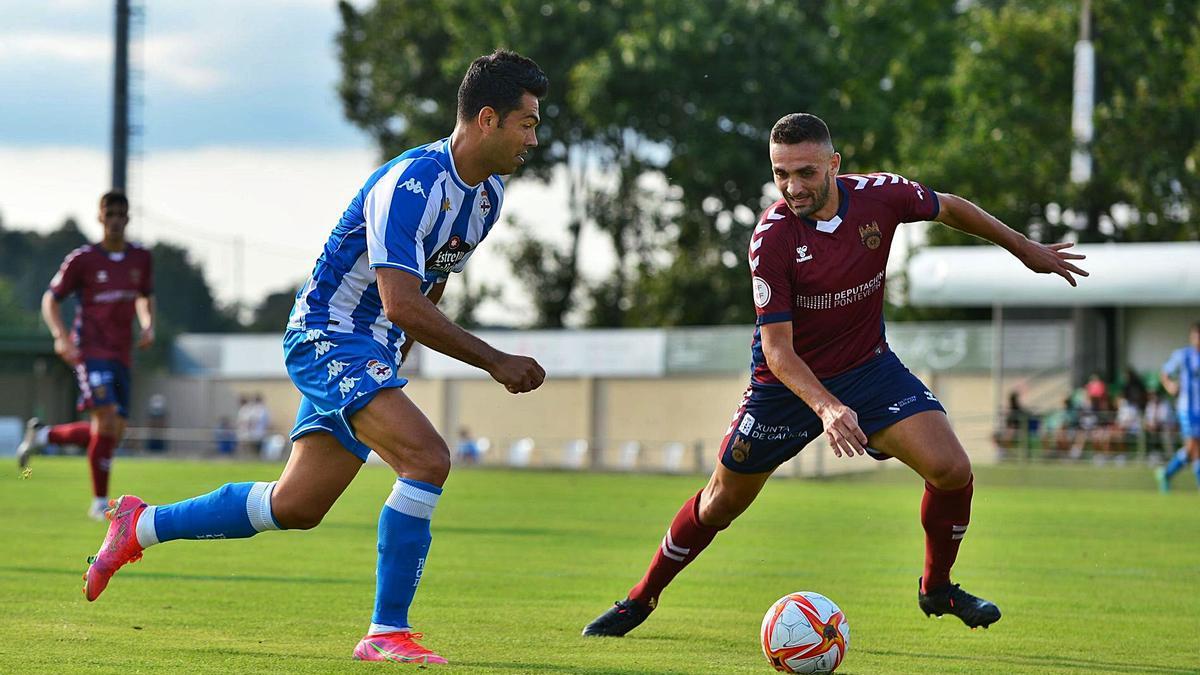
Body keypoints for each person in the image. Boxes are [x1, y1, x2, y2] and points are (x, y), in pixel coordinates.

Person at [81, 50, 549, 665]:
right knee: (427, 458)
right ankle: (387, 632)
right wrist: (494, 360)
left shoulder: (485, 199)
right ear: (487, 119)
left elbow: (430, 285)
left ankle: (139, 525)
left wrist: (390, 363)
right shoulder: (411, 186)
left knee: (295, 506)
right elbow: (402, 302)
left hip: (367, 350)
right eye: (528, 123)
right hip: (326, 335)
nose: (534, 139)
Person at [583, 113, 1087, 637]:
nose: (792, 187)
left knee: (952, 468)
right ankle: (640, 600)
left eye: (804, 172)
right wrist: (825, 407)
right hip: (784, 389)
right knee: (719, 503)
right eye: (781, 174)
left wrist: (1025, 248)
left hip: (869, 370)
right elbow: (778, 352)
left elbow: (949, 207)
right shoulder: (771, 238)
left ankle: (936, 588)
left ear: (833, 164)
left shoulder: (881, 195)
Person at [16, 191, 155, 520]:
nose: (116, 220)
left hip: (121, 352)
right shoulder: (82, 259)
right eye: (110, 214)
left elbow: (145, 297)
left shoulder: (141, 258)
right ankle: (99, 504)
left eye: (121, 214)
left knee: (112, 431)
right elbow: (51, 299)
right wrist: (60, 337)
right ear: (100, 217)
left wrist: (148, 325)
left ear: (128, 218)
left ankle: (44, 435)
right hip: (90, 350)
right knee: (105, 421)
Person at [1154, 322, 1200, 492]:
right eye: (1196, 336)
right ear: (1191, 337)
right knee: (1194, 445)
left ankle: (1166, 474)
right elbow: (1164, 372)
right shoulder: (1183, 355)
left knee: (1191, 450)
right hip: (1187, 409)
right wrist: (1170, 385)